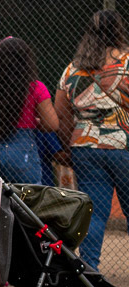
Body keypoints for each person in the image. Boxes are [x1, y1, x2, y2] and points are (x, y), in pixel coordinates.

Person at [56, 9, 129, 271]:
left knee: (94, 211)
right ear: (119, 31)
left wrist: (66, 148)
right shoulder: (127, 61)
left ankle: (89, 269)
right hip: (123, 145)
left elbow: (61, 115)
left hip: (84, 146)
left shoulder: (73, 69)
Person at [0, 37, 59, 184]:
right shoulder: (35, 88)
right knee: (29, 198)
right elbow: (52, 124)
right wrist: (35, 122)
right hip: (23, 154)